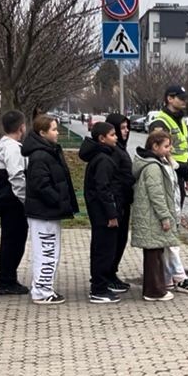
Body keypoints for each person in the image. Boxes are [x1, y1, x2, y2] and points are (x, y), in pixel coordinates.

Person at [148, 86, 188, 295]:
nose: (184, 101)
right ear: (169, 98)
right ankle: (175, 275)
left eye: (185, 97)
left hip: (179, 174)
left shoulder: (179, 120)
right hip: (169, 175)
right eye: (181, 98)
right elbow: (160, 150)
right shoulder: (161, 122)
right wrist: (176, 168)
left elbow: (184, 150)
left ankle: (169, 275)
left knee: (174, 224)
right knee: (170, 224)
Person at [22, 114, 78, 305]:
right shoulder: (40, 155)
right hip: (44, 212)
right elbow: (41, 185)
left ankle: (43, 287)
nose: (57, 133)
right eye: (54, 129)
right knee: (46, 252)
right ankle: (42, 291)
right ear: (42, 133)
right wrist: (58, 201)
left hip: (48, 211)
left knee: (50, 251)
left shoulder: (48, 151)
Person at [131, 130, 180, 302]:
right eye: (166, 146)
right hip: (152, 217)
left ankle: (155, 288)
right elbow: (157, 195)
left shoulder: (153, 163)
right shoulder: (153, 167)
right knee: (153, 255)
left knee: (155, 252)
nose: (170, 149)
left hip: (149, 216)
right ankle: (153, 291)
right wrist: (165, 218)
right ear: (155, 146)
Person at [79, 122, 122, 304]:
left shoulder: (102, 156)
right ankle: (99, 288)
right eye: (112, 135)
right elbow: (103, 189)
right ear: (102, 139)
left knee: (103, 249)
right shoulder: (103, 160)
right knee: (103, 251)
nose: (116, 137)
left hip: (101, 212)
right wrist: (111, 214)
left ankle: (101, 286)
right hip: (103, 215)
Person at [0, 110, 30, 295]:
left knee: (11, 240)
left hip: (6, 198)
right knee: (13, 241)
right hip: (12, 200)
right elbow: (17, 176)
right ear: (21, 127)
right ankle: (7, 280)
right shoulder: (13, 148)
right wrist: (25, 200)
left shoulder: (5, 145)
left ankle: (7, 277)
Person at [103, 113, 133, 294]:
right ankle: (107, 276)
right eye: (122, 128)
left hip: (123, 201)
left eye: (126, 127)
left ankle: (112, 273)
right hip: (117, 203)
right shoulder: (113, 151)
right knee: (113, 242)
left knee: (120, 240)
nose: (126, 130)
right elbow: (110, 181)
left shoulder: (120, 148)